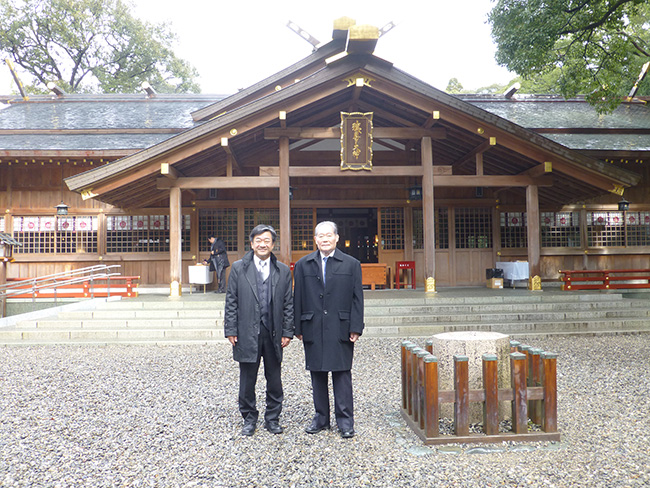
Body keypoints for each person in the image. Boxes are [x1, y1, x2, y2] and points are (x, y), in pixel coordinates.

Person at [293, 221, 364, 439]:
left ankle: (345, 421)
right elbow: (298, 297)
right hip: (312, 325)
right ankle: (321, 417)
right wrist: (297, 326)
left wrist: (356, 327)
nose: (324, 239)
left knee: (342, 374)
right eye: (320, 236)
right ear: (315, 239)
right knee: (317, 373)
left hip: (340, 326)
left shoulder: (351, 264)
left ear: (336, 238)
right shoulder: (304, 264)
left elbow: (357, 298)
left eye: (328, 235)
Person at [224, 224, 294, 436]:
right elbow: (231, 301)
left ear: (273, 244)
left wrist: (287, 331)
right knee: (247, 379)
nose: (263, 244)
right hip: (246, 330)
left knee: (274, 378)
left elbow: (288, 303)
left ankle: (272, 418)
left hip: (273, 332)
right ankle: (249, 417)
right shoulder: (238, 268)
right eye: (258, 240)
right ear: (252, 243)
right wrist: (231, 329)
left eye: (267, 241)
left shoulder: (282, 270)